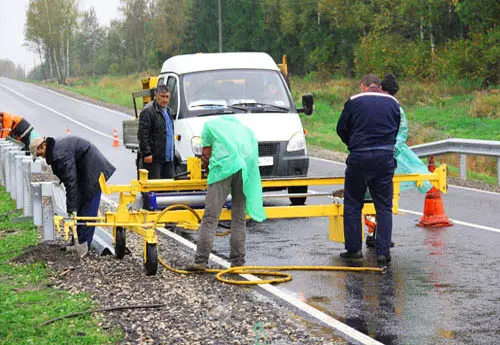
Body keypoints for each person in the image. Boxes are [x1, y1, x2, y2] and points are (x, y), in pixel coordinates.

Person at [185, 116, 267, 271]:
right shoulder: (243, 129)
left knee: (210, 217)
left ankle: (200, 261)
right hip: (243, 170)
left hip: (222, 170)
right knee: (239, 218)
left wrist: (206, 168)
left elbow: (206, 154)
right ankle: (238, 262)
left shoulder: (209, 126)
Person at [336, 74, 401, 264]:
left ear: (363, 86)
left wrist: (353, 144)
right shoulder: (393, 103)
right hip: (384, 158)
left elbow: (341, 128)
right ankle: (383, 252)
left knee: (354, 204)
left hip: (360, 158)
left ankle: (354, 249)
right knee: (383, 206)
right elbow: (396, 128)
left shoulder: (354, 101)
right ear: (379, 86)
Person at [365, 74, 433, 248]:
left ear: (381, 88)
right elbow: (402, 133)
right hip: (386, 158)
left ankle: (373, 233)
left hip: (371, 156)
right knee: (383, 198)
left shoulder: (375, 105)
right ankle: (377, 235)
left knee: (373, 196)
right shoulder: (396, 108)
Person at [30, 135, 116, 257]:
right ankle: (77, 241)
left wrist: (71, 208)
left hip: (93, 170)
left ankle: (84, 243)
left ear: (43, 146)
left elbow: (71, 182)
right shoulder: (54, 151)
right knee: (81, 203)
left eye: (39, 154)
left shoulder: (59, 153)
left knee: (88, 205)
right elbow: (67, 177)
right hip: (84, 170)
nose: (41, 157)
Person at [137, 84, 175, 179]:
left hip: (168, 158)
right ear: (156, 96)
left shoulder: (169, 111)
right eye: (162, 96)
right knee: (154, 189)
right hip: (154, 159)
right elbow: (142, 134)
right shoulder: (148, 111)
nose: (164, 100)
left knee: (169, 189)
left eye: (167, 97)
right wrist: (147, 153)